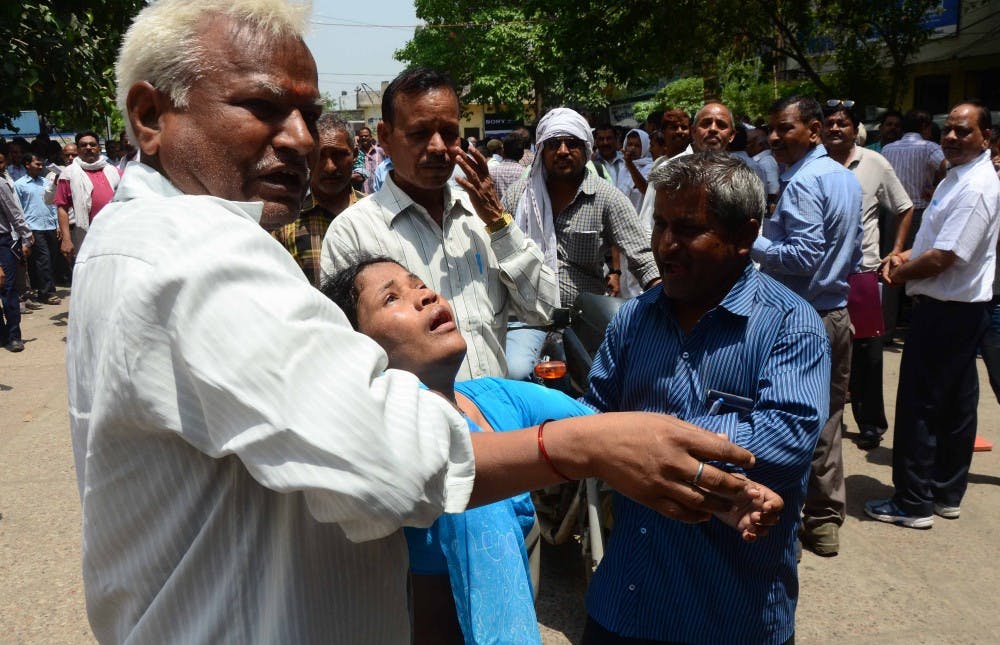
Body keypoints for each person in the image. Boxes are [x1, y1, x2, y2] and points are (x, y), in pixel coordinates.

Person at [69, 3, 764, 642]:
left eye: (309, 114)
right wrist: (582, 446)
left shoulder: (484, 216)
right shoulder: (201, 248)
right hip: (440, 461)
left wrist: (608, 437)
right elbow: (387, 450)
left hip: (487, 436)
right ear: (151, 116)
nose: (300, 140)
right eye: (261, 106)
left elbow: (546, 305)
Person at [582, 152, 829, 644]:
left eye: (689, 228)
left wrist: (650, 442)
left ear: (744, 236)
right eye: (660, 225)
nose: (666, 244)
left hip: (729, 614)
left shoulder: (790, 326)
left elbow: (786, 441)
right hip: (625, 600)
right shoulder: (634, 319)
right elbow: (594, 418)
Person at [320, 67, 558, 380]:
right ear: (385, 137)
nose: (437, 148)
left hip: (496, 421)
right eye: (419, 134)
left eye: (448, 133)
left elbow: (544, 308)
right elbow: (346, 358)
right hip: (416, 425)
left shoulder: (482, 219)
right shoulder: (353, 233)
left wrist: (501, 226)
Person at [866, 102, 1000, 529]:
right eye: (949, 130)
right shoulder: (955, 177)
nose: (953, 137)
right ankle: (944, 492)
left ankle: (912, 501)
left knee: (920, 406)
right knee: (957, 405)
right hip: (955, 309)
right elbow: (934, 241)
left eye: (964, 131)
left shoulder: (977, 187)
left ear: (986, 138)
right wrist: (905, 253)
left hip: (948, 310)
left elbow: (945, 257)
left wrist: (898, 274)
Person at [753, 95, 862, 557]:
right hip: (836, 313)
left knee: (787, 419)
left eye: (784, 129)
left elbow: (801, 256)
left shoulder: (803, 183)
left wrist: (750, 241)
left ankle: (782, 525)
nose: (774, 138)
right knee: (828, 420)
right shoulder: (844, 178)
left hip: (803, 318)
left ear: (814, 131)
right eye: (771, 129)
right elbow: (852, 252)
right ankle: (822, 521)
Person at [501, 108, 658, 378]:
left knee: (617, 380)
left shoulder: (607, 197)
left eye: (571, 143)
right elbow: (496, 252)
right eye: (553, 144)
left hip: (585, 318)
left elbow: (643, 256)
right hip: (528, 318)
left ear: (586, 149)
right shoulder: (519, 196)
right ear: (541, 151)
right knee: (515, 372)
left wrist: (666, 305)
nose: (562, 150)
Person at [821, 101, 914, 450]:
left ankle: (871, 423)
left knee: (868, 354)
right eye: (829, 123)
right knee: (825, 351)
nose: (834, 129)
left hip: (862, 275)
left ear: (855, 128)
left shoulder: (874, 163)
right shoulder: (813, 165)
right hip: (822, 275)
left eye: (841, 123)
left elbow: (904, 208)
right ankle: (825, 420)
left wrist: (897, 250)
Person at [271, 112, 363, 287]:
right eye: (320, 156)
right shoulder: (284, 224)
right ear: (306, 157)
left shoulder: (376, 213)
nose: (330, 167)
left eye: (339, 155)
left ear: (355, 154)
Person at [54, 131, 122, 259]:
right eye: (84, 145)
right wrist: (66, 239)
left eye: (92, 144)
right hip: (85, 235)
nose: (88, 148)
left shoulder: (115, 172)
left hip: (114, 232)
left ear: (99, 149)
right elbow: (62, 207)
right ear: (78, 150)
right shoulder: (68, 174)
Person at [14, 152, 60, 305]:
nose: (40, 167)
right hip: (33, 227)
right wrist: (25, 231)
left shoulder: (46, 182)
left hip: (50, 225)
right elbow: (18, 209)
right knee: (43, 259)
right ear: (27, 165)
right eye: (37, 164)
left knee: (51, 259)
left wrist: (58, 224)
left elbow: (53, 203)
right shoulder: (19, 185)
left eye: (41, 164)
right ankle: (47, 292)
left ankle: (40, 289)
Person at [0, 149, 33, 352]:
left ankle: (13, 335)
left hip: (3, 243)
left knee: (7, 289)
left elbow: (14, 213)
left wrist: (26, 238)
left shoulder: (1, 184)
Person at [356, 125, 385, 194]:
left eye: (366, 136)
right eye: (361, 136)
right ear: (358, 138)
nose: (363, 137)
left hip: (381, 192)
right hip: (363, 195)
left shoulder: (380, 151)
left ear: (371, 137)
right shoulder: (356, 154)